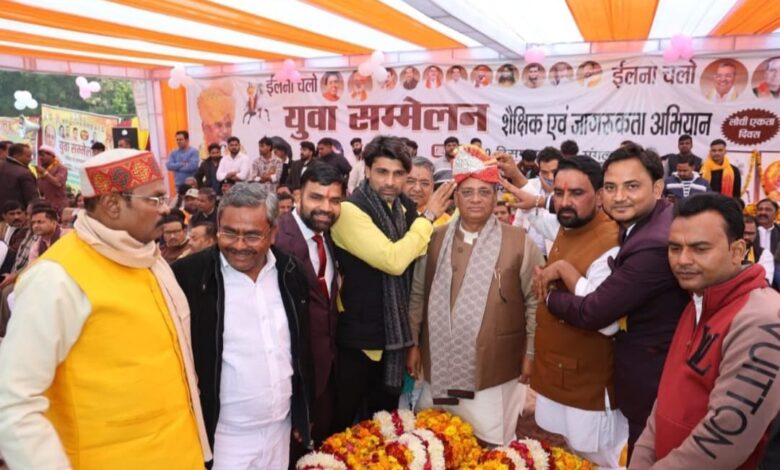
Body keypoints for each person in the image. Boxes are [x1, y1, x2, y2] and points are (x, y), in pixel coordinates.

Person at [0, 149, 210, 468]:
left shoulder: (149, 260)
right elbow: (12, 402)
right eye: (154, 199)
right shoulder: (57, 278)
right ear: (112, 204)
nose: (166, 208)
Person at [542, 144, 690, 454]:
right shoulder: (644, 224)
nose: (619, 196)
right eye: (611, 187)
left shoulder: (651, 245)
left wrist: (548, 296)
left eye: (631, 186)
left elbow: (594, 312)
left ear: (658, 188)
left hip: (651, 379)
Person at [631, 193, 780, 469]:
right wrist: (640, 459)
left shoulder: (762, 319)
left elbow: (725, 437)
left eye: (700, 249)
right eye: (675, 248)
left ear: (737, 251)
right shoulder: (698, 299)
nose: (682, 260)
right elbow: (665, 398)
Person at [407, 144, 542, 445]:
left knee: (490, 447)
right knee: (436, 440)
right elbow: (418, 294)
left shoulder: (519, 242)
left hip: (496, 369)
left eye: (484, 192)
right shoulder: (433, 238)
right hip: (438, 363)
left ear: (495, 196)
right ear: (455, 198)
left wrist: (531, 354)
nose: (476, 199)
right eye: (467, 192)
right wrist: (414, 344)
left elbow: (535, 303)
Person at [171, 183, 314, 469]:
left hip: (280, 430)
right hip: (223, 437)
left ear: (273, 233)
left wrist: (303, 412)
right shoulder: (189, 277)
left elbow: (302, 350)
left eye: (251, 235)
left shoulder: (290, 271)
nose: (238, 245)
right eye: (229, 233)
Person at [330, 135, 455, 431]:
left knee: (382, 426)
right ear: (367, 170)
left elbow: (420, 252)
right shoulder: (350, 211)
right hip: (358, 342)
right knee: (343, 426)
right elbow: (394, 260)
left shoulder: (401, 208)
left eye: (398, 174)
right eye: (382, 172)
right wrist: (429, 215)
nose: (390, 181)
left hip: (391, 342)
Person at [530, 156, 627, 468]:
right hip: (558, 373)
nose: (564, 202)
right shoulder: (569, 224)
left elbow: (605, 322)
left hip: (589, 384)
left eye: (576, 193)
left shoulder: (611, 242)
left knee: (605, 459)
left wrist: (561, 274)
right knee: (572, 454)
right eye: (558, 193)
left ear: (599, 197)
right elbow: (539, 218)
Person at [274, 162, 345, 447]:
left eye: (335, 200)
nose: (326, 208)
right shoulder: (276, 239)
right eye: (316, 197)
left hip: (327, 370)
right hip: (291, 381)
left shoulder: (329, 236)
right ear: (297, 196)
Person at [404, 157, 451, 226]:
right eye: (410, 181)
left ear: (432, 187)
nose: (417, 189)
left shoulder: (446, 221)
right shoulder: (392, 216)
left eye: (424, 183)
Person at [197, 79, 235, 157]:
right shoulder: (200, 154)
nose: (225, 131)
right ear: (205, 127)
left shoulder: (238, 151)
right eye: (218, 125)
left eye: (228, 125)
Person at [0, 143, 38, 210]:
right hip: (17, 212)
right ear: (16, 156)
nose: (30, 159)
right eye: (28, 156)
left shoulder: (2, 165)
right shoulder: (24, 173)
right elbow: (32, 198)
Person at [34, 145, 69, 214]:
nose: (40, 158)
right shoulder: (42, 169)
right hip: (45, 206)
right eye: (39, 156)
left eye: (42, 155)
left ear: (51, 155)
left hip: (59, 206)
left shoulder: (61, 168)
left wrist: (44, 173)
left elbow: (58, 183)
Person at [743, 215, 775, 284]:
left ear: (756, 234)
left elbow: (765, 282)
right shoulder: (726, 251)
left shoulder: (765, 254)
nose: (747, 237)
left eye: (751, 234)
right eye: (744, 233)